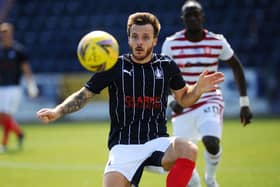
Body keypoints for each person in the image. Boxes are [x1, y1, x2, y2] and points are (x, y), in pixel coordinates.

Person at [37, 12, 224, 187]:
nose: (139, 42)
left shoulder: (166, 65)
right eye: (135, 37)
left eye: (145, 37)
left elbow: (184, 99)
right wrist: (57, 111)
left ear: (155, 40)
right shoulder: (114, 66)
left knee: (188, 149)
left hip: (157, 142)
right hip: (123, 146)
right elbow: (84, 95)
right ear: (128, 39)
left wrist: (198, 89)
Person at [161, 1, 253, 187]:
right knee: (183, 155)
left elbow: (236, 66)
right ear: (182, 19)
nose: (193, 18)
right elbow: (163, 75)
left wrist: (244, 103)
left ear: (202, 16)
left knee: (211, 142)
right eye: (189, 15)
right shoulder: (171, 44)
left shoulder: (217, 41)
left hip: (210, 98)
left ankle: (211, 179)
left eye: (196, 14)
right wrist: (172, 101)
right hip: (184, 101)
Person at [0, 22, 38, 153]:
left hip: (14, 88)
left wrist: (31, 86)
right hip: (1, 87)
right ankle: (19, 133)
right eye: (2, 32)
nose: (4, 35)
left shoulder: (18, 50)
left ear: (11, 33)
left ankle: (3, 144)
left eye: (6, 32)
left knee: (5, 115)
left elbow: (26, 69)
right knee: (3, 117)